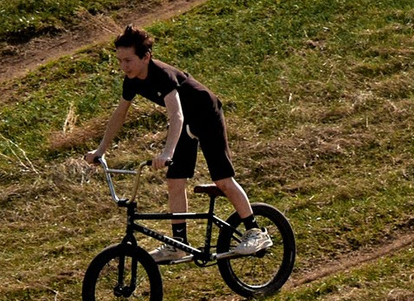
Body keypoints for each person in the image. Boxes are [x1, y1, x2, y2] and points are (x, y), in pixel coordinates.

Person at [77, 24, 270, 254]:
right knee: (174, 181)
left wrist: (167, 152)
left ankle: (255, 232)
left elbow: (175, 114)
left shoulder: (162, 75)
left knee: (223, 181)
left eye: (127, 60)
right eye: (120, 61)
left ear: (146, 57)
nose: (123, 66)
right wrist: (101, 150)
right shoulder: (132, 80)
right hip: (186, 123)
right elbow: (119, 114)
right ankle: (180, 245)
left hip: (206, 115)